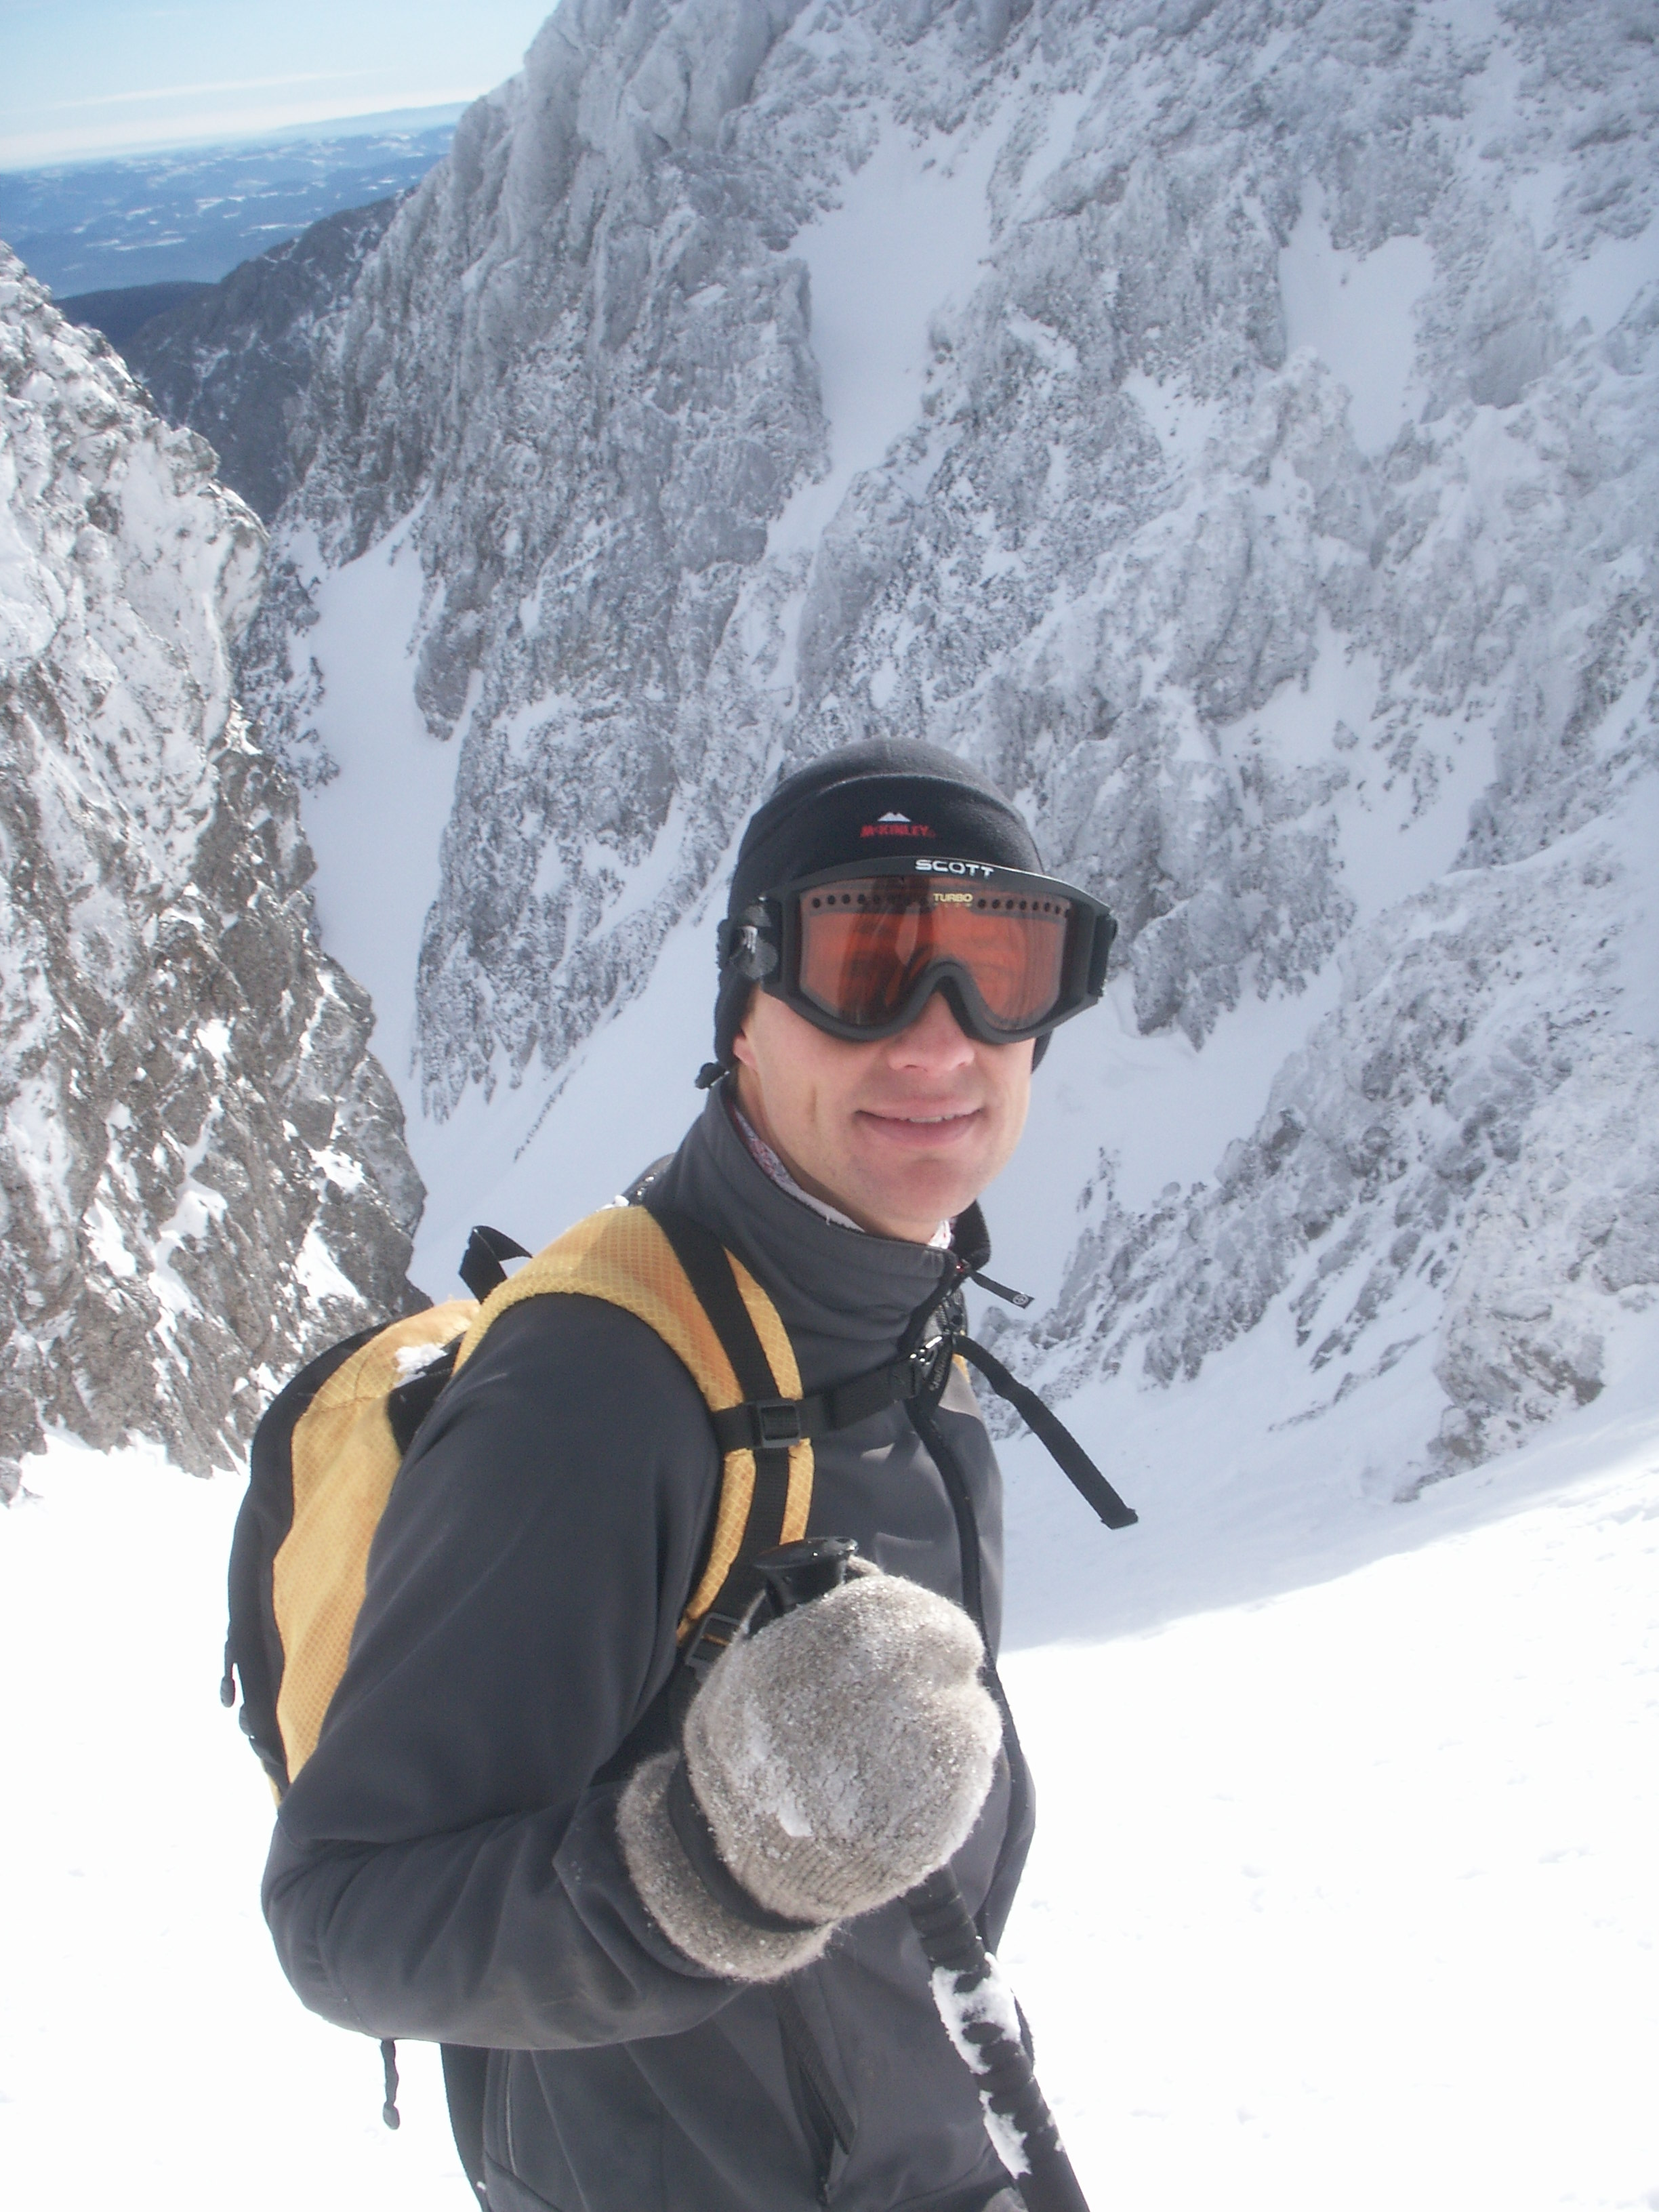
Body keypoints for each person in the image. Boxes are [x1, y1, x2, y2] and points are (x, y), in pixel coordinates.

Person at [263, 739, 1115, 2212]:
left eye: (1000, 968)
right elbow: (345, 1913)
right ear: (746, 1007)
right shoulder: (598, 1392)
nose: (940, 1043)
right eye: (864, 967)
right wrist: (718, 1868)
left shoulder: (907, 1330)